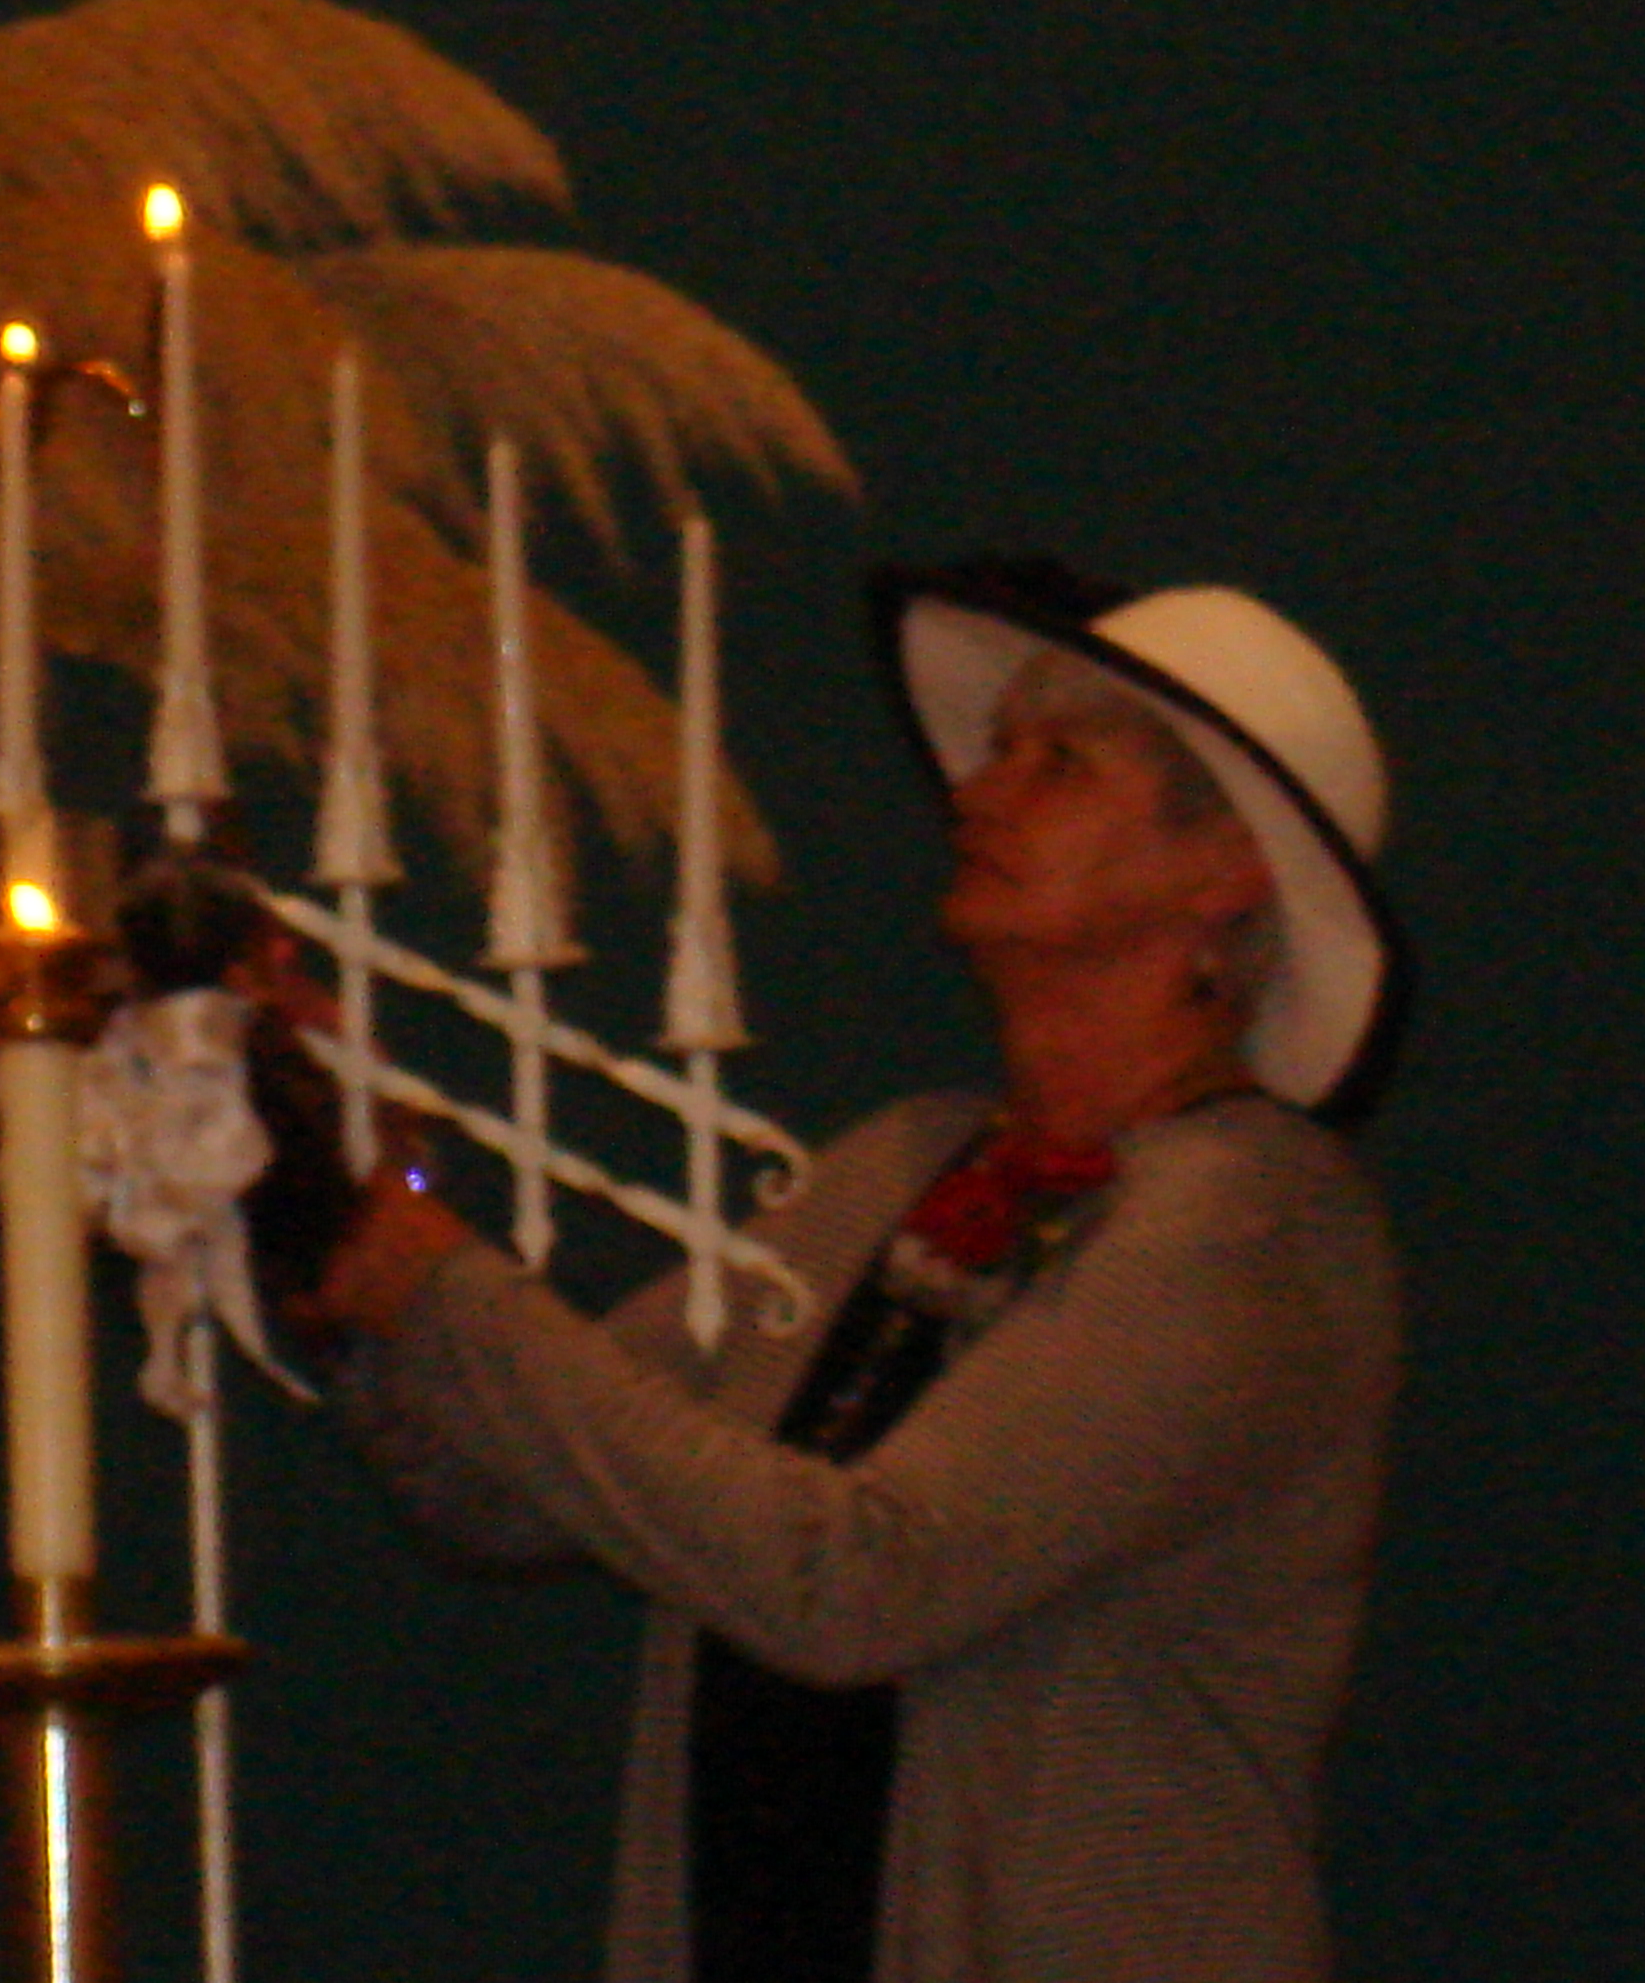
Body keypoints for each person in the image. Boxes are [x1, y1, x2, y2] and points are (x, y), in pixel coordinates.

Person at [292, 555, 1411, 1983]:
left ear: (1227, 873)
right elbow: (503, 1496)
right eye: (1000, 753)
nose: (980, 794)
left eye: (1060, 766)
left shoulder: (1250, 1220)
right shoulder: (904, 1166)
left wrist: (447, 1287)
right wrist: (342, 1207)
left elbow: (861, 1581)